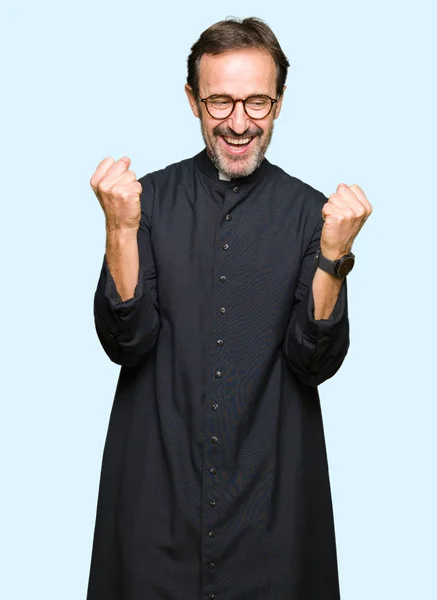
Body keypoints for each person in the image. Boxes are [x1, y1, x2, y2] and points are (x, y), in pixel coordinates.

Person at [87, 16, 372, 600]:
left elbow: (313, 361)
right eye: (220, 101)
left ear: (280, 102)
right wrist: (119, 229)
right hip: (155, 515)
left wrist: (333, 257)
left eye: (257, 102)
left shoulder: (311, 215)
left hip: (271, 521)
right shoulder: (146, 203)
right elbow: (126, 342)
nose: (239, 123)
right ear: (192, 100)